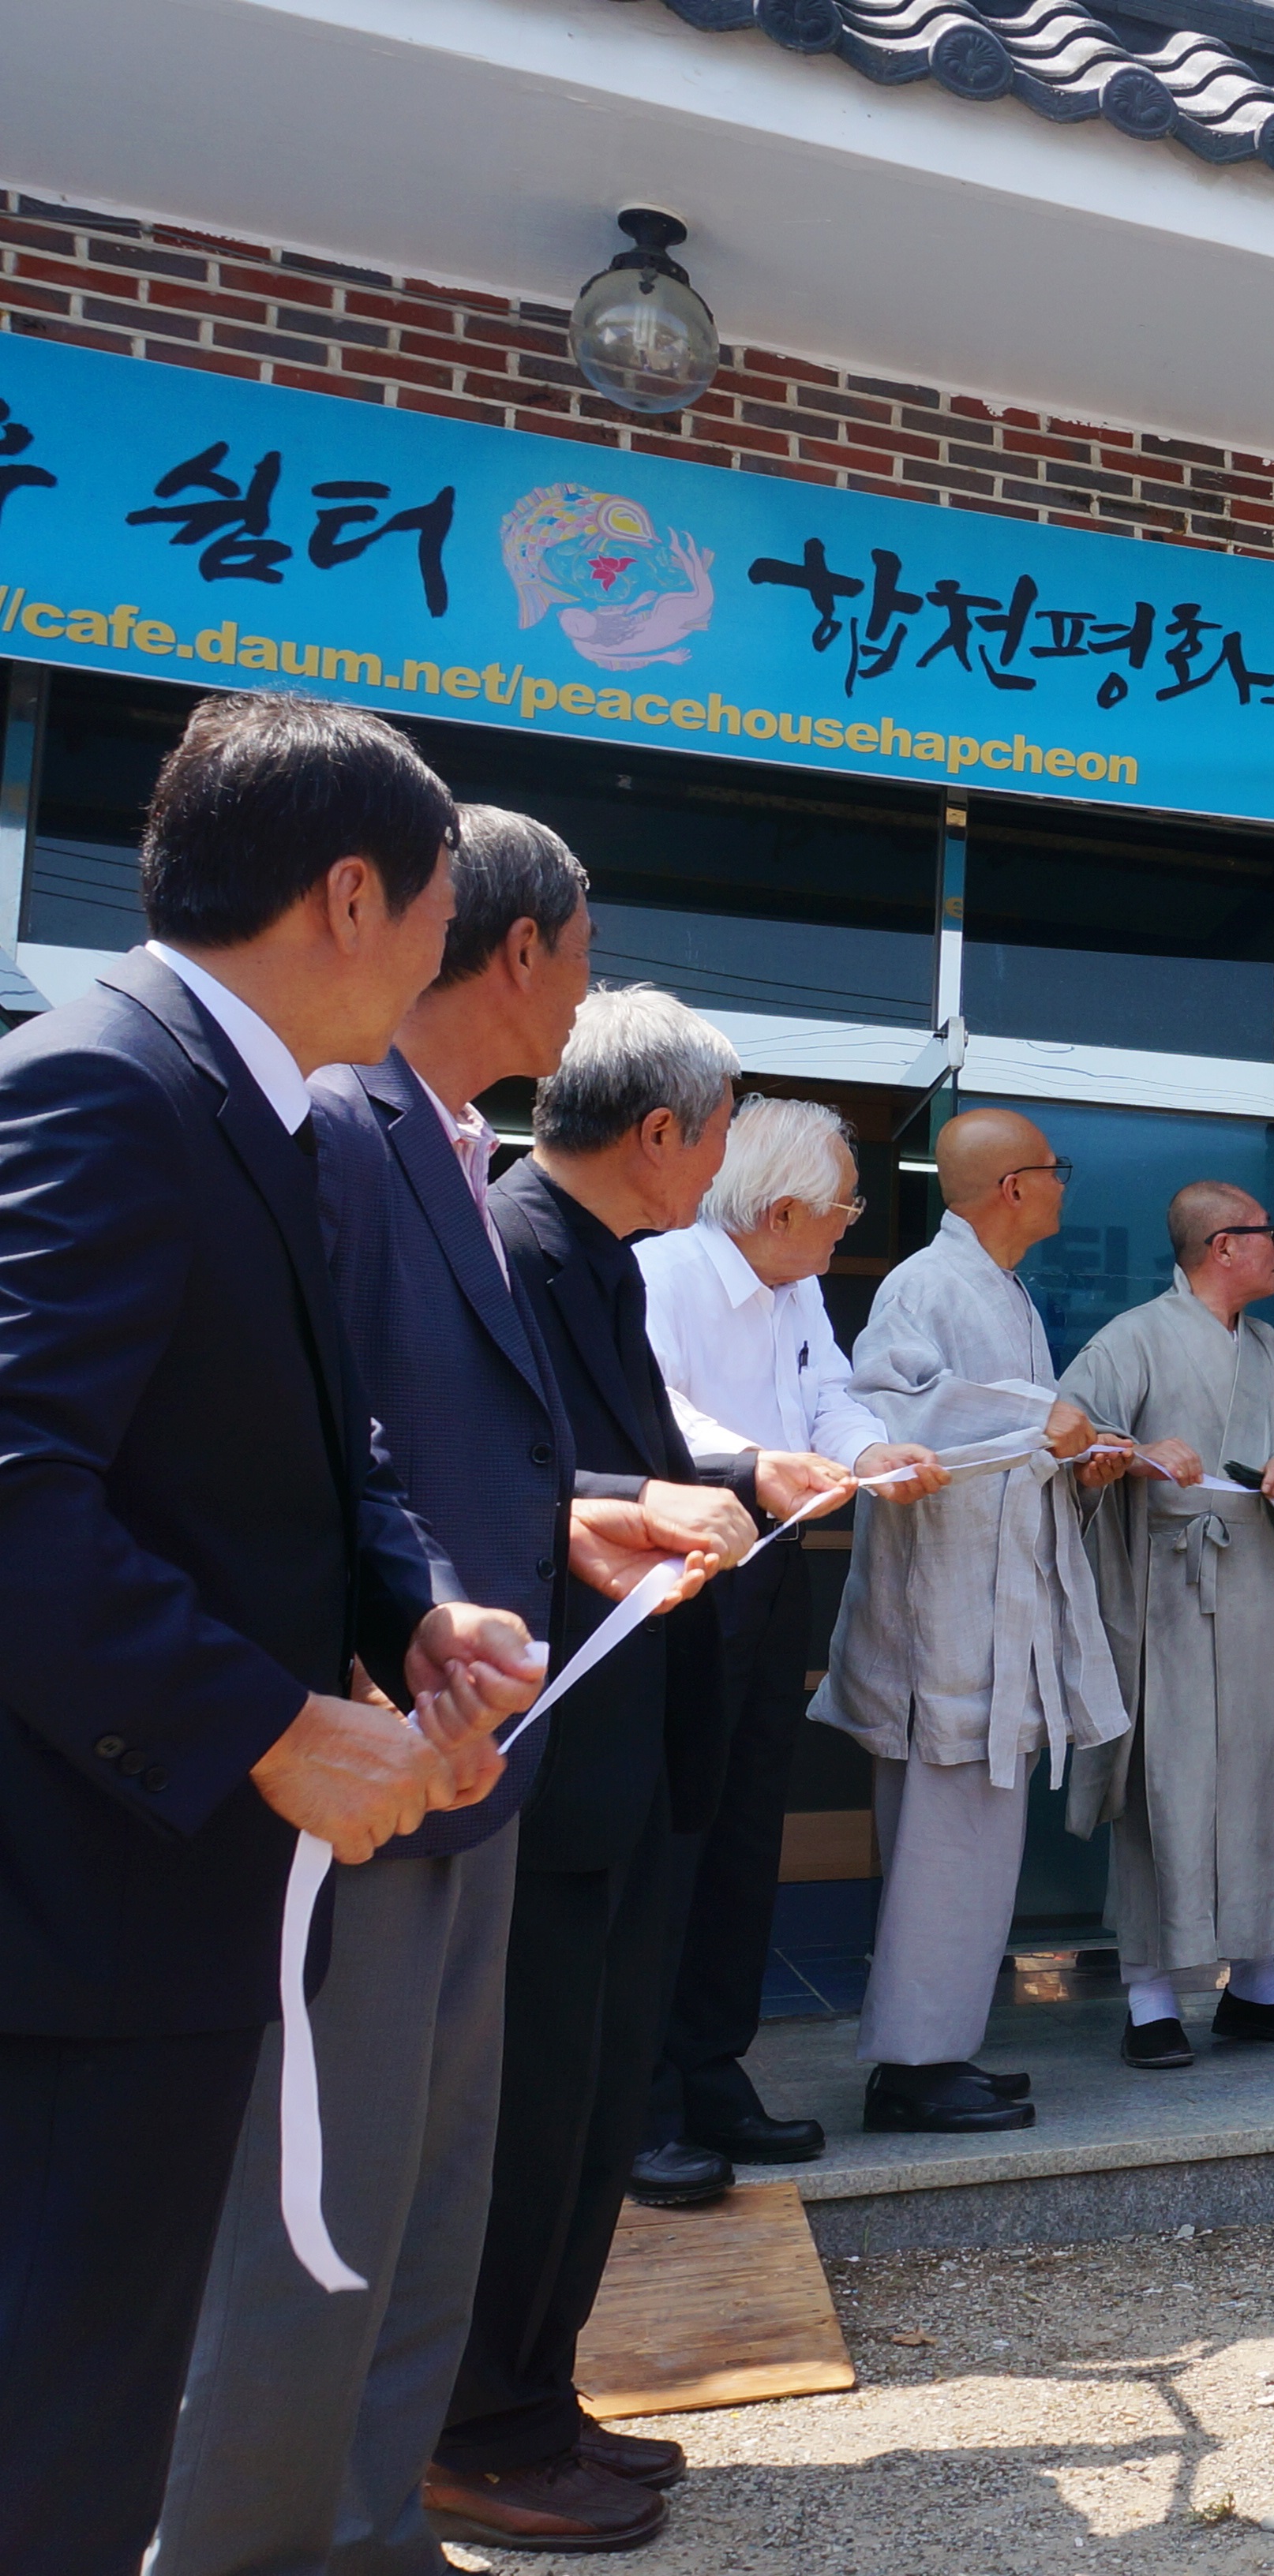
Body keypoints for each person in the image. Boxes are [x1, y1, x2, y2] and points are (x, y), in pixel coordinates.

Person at [156, 811, 743, 2575]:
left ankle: (380, 2517)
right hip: (374, 1744)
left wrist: (572, 1515)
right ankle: (278, 2528)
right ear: (514, 947)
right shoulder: (333, 1129)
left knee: (425, 2184)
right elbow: (322, 1447)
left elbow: (438, 1440)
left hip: (473, 1732)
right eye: (581, 943)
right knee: (318, 2208)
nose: (584, 981)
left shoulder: (447, 1143)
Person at [0, 692, 540, 2575]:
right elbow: (13, 1480)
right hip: (80, 1899)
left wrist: (411, 1615)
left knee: (106, 2387)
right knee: (58, 2428)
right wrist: (262, 1722)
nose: (447, 952)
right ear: (345, 896)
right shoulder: (107, 1079)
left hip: (180, 1895)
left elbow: (314, 1453)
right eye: (440, 907)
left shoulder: (262, 1104)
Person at [432, 987, 818, 2548]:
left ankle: (540, 2400)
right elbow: (485, 1476)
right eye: (719, 1135)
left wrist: (735, 1472)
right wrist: (666, 1494)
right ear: (661, 1133)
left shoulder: (599, 1262)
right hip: (553, 1748)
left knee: (591, 2105)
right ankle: (478, 2428)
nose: (719, 1168)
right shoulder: (512, 1246)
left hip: (624, 1749)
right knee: (530, 2111)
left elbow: (617, 1458)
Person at [635, 1097, 949, 2190]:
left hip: (768, 1575)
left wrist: (880, 1453)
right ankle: (642, 2103)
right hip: (680, 1578)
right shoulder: (663, 1271)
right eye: (841, 1209)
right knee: (669, 1838)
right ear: (777, 1211)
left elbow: (832, 1398)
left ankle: (715, 2074)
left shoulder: (798, 1286)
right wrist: (757, 1465)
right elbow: (654, 1413)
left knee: (743, 1828)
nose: (848, 1226)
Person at [813, 1107, 1136, 2134]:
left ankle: (940, 2053)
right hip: (940, 1619)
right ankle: (911, 2069)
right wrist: (1034, 1421)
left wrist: (1075, 1451)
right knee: (942, 1843)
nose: (1062, 1187)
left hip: (989, 1612)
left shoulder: (1002, 1293)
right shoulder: (925, 1285)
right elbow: (889, 1416)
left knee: (975, 1842)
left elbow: (1011, 1441)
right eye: (1055, 1171)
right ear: (1013, 1187)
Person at [1059, 1181, 1274, 2068]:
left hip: (1264, 1584)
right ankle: (1151, 1997)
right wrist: (1137, 1455)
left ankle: (1259, 1983)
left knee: (1273, 1774)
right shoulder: (1132, 1340)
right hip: (1170, 1595)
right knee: (1170, 1784)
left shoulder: (1272, 1352)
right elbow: (1072, 1442)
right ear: (1222, 1246)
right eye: (1266, 1236)